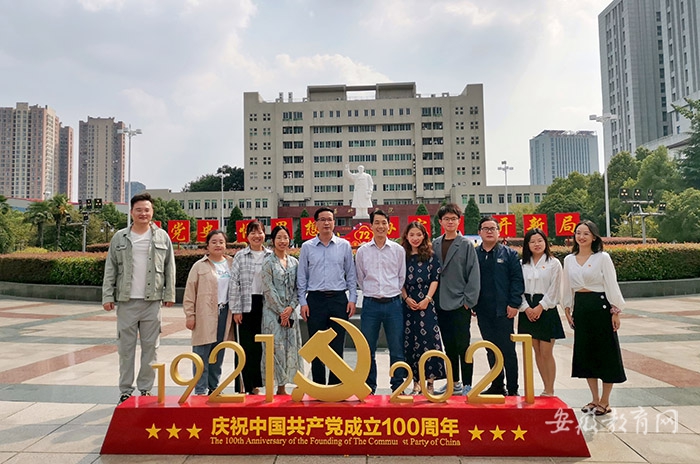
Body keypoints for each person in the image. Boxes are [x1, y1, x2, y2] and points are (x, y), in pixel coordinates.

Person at [102, 192, 176, 404]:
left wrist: (169, 294)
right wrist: (107, 295)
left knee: (151, 348)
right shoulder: (120, 237)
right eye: (139, 210)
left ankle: (145, 389)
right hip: (126, 301)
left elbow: (170, 266)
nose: (143, 213)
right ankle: (125, 390)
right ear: (132, 212)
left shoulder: (162, 236)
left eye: (147, 210)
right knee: (125, 349)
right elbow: (111, 268)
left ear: (152, 212)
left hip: (152, 302)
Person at [562, 220, 626, 416]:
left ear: (594, 237)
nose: (581, 237)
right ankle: (594, 398)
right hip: (581, 308)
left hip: (600, 307)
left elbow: (611, 284)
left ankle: (605, 401)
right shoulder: (569, 260)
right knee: (586, 353)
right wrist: (567, 309)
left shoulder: (602, 258)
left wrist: (615, 311)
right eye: (578, 233)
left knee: (606, 353)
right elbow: (567, 286)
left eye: (586, 233)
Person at [297, 206, 357, 385]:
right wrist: (303, 302)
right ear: (315, 224)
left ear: (334, 222)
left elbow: (351, 274)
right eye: (322, 219)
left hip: (338, 300)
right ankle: (318, 385)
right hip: (315, 300)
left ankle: (335, 386)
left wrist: (352, 299)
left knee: (338, 345)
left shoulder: (344, 246)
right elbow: (302, 276)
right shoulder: (307, 247)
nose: (326, 223)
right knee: (316, 345)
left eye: (329, 219)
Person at [355, 209, 406, 394]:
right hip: (371, 305)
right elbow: (360, 278)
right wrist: (373, 292)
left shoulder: (398, 250)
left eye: (384, 223)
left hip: (393, 304)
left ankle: (398, 386)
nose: (380, 226)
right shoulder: (362, 251)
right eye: (377, 223)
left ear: (389, 226)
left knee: (397, 347)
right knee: (367, 348)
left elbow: (401, 276)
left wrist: (390, 292)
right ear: (371, 226)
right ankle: (369, 386)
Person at [432, 203, 480, 395]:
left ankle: (467, 384)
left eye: (453, 218)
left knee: (463, 345)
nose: (450, 222)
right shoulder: (435, 243)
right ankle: (453, 382)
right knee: (449, 345)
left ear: (459, 221)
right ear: (440, 222)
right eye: (446, 219)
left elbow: (474, 274)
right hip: (440, 302)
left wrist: (469, 301)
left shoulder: (466, 244)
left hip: (460, 303)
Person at [473, 216, 524, 396]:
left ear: (498, 232)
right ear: (479, 232)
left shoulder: (509, 254)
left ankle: (513, 388)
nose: (489, 231)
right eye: (485, 228)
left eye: (492, 228)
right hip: (483, 310)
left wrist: (514, 303)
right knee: (490, 349)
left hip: (504, 310)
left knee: (508, 350)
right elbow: (469, 280)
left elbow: (517, 280)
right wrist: (472, 302)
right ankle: (497, 385)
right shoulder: (474, 254)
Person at [182, 229, 234, 395]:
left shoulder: (232, 263)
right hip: (204, 313)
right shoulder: (199, 266)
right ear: (207, 245)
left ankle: (214, 387)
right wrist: (190, 315)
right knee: (201, 351)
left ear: (226, 245)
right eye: (214, 242)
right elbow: (190, 292)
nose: (218, 245)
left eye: (221, 242)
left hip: (225, 312)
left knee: (218, 351)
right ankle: (200, 389)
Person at [518, 228, 565, 397]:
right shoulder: (522, 264)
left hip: (546, 308)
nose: (536, 244)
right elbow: (517, 287)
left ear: (545, 242)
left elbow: (555, 289)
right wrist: (526, 308)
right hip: (527, 308)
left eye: (540, 241)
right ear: (527, 245)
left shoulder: (554, 263)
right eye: (532, 242)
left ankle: (550, 389)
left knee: (546, 351)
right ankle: (545, 388)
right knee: (536, 351)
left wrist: (540, 307)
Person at [401, 221, 445, 395]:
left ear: (424, 236)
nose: (415, 238)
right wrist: (406, 298)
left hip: (427, 304)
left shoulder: (431, 256)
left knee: (429, 340)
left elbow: (435, 279)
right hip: (408, 305)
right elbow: (399, 279)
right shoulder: (402, 256)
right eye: (412, 235)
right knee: (410, 342)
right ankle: (415, 382)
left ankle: (430, 382)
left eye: (419, 235)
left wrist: (427, 299)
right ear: (406, 236)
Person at [229, 220, 271, 394]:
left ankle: (256, 385)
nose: (256, 236)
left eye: (259, 232)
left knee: (260, 347)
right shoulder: (240, 256)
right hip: (246, 305)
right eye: (252, 233)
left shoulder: (270, 255)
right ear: (247, 236)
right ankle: (243, 385)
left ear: (264, 234)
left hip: (266, 305)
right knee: (244, 346)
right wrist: (236, 309)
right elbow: (234, 283)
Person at [261, 225, 303, 395]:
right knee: (275, 349)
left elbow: (298, 288)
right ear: (273, 240)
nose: (282, 241)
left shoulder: (294, 262)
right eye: (279, 237)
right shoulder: (267, 262)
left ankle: (293, 383)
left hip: (290, 313)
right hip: (272, 314)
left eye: (285, 237)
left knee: (291, 348)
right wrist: (281, 311)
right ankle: (278, 387)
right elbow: (268, 289)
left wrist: (290, 308)